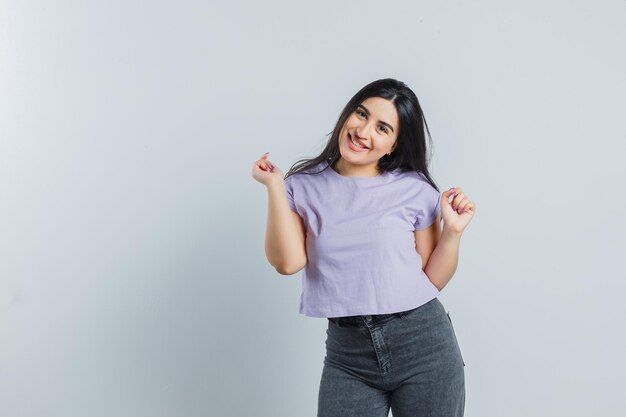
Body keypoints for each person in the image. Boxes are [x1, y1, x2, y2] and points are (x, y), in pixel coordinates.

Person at [251, 78, 475, 417]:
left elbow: (433, 280)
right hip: (348, 357)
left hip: (424, 345)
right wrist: (273, 187)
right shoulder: (301, 187)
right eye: (361, 113)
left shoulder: (415, 191)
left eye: (382, 128)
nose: (363, 130)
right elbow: (289, 262)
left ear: (393, 145)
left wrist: (453, 233)